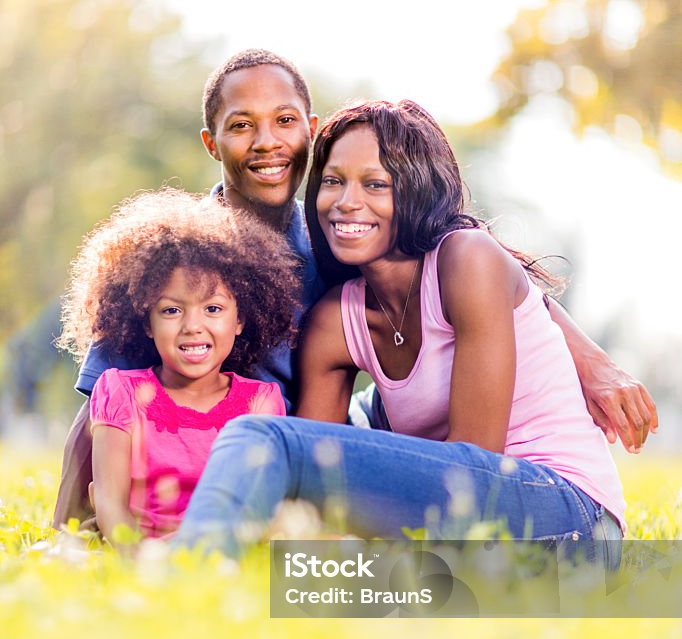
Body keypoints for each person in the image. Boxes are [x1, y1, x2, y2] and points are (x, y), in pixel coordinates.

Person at [52, 49, 657, 528]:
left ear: (307, 130)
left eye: (285, 122)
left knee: (324, 431)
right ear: (211, 142)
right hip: (228, 464)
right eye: (242, 126)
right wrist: (64, 533)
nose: (267, 141)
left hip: (493, 481)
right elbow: (104, 399)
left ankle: (189, 573)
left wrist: (590, 359)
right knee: (337, 476)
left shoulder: (339, 245)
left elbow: (479, 267)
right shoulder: (181, 257)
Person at [176, 100, 629, 567]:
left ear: (415, 192)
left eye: (376, 184)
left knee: (262, 440)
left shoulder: (467, 260)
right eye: (333, 181)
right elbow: (317, 480)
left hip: (571, 519)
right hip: (475, 546)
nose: (347, 201)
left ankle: (185, 580)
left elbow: (471, 466)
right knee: (302, 536)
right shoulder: (337, 319)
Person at [57, 188, 298, 544]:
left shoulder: (261, 403)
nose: (192, 326)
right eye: (171, 310)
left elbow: (257, 509)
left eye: (213, 309)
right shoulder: (119, 392)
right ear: (145, 323)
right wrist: (143, 562)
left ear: (241, 319)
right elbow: (109, 501)